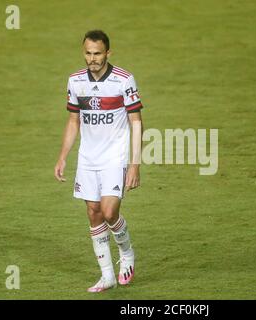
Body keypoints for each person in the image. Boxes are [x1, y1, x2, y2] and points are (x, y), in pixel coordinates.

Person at [54, 29, 143, 292]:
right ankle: (107, 276)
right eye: (88, 53)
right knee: (93, 213)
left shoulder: (123, 80)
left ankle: (126, 252)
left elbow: (136, 122)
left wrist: (135, 164)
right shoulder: (75, 81)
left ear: (108, 53)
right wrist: (62, 157)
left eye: (97, 53)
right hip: (87, 158)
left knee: (109, 212)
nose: (92, 59)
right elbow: (73, 121)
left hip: (114, 157)